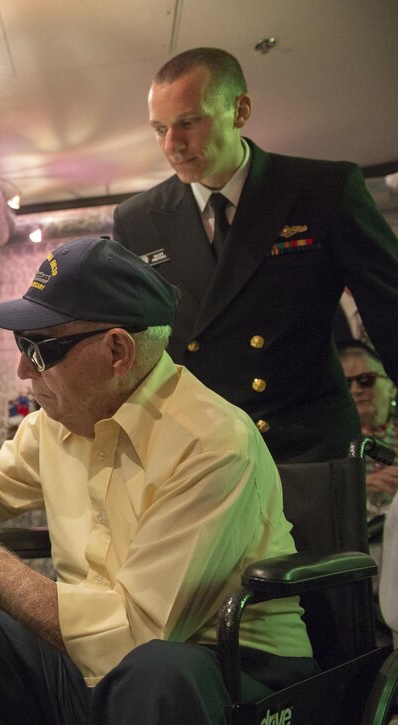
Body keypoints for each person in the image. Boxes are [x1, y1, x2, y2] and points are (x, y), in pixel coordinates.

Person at [0, 237, 317, 724]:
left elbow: (134, 635)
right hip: (94, 663)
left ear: (117, 351)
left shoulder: (210, 442)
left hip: (226, 668)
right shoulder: (60, 420)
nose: (22, 369)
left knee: (157, 672)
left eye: (39, 347)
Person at [112, 47, 398, 464]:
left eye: (189, 123)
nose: (172, 145)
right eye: (159, 129)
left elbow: (390, 311)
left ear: (240, 110)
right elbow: (133, 347)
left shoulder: (322, 191)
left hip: (304, 447)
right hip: (197, 453)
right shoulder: (137, 220)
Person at [339, 339, 398, 518]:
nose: (356, 390)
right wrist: (361, 486)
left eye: (365, 380)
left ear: (391, 386)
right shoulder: (334, 441)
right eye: (347, 384)